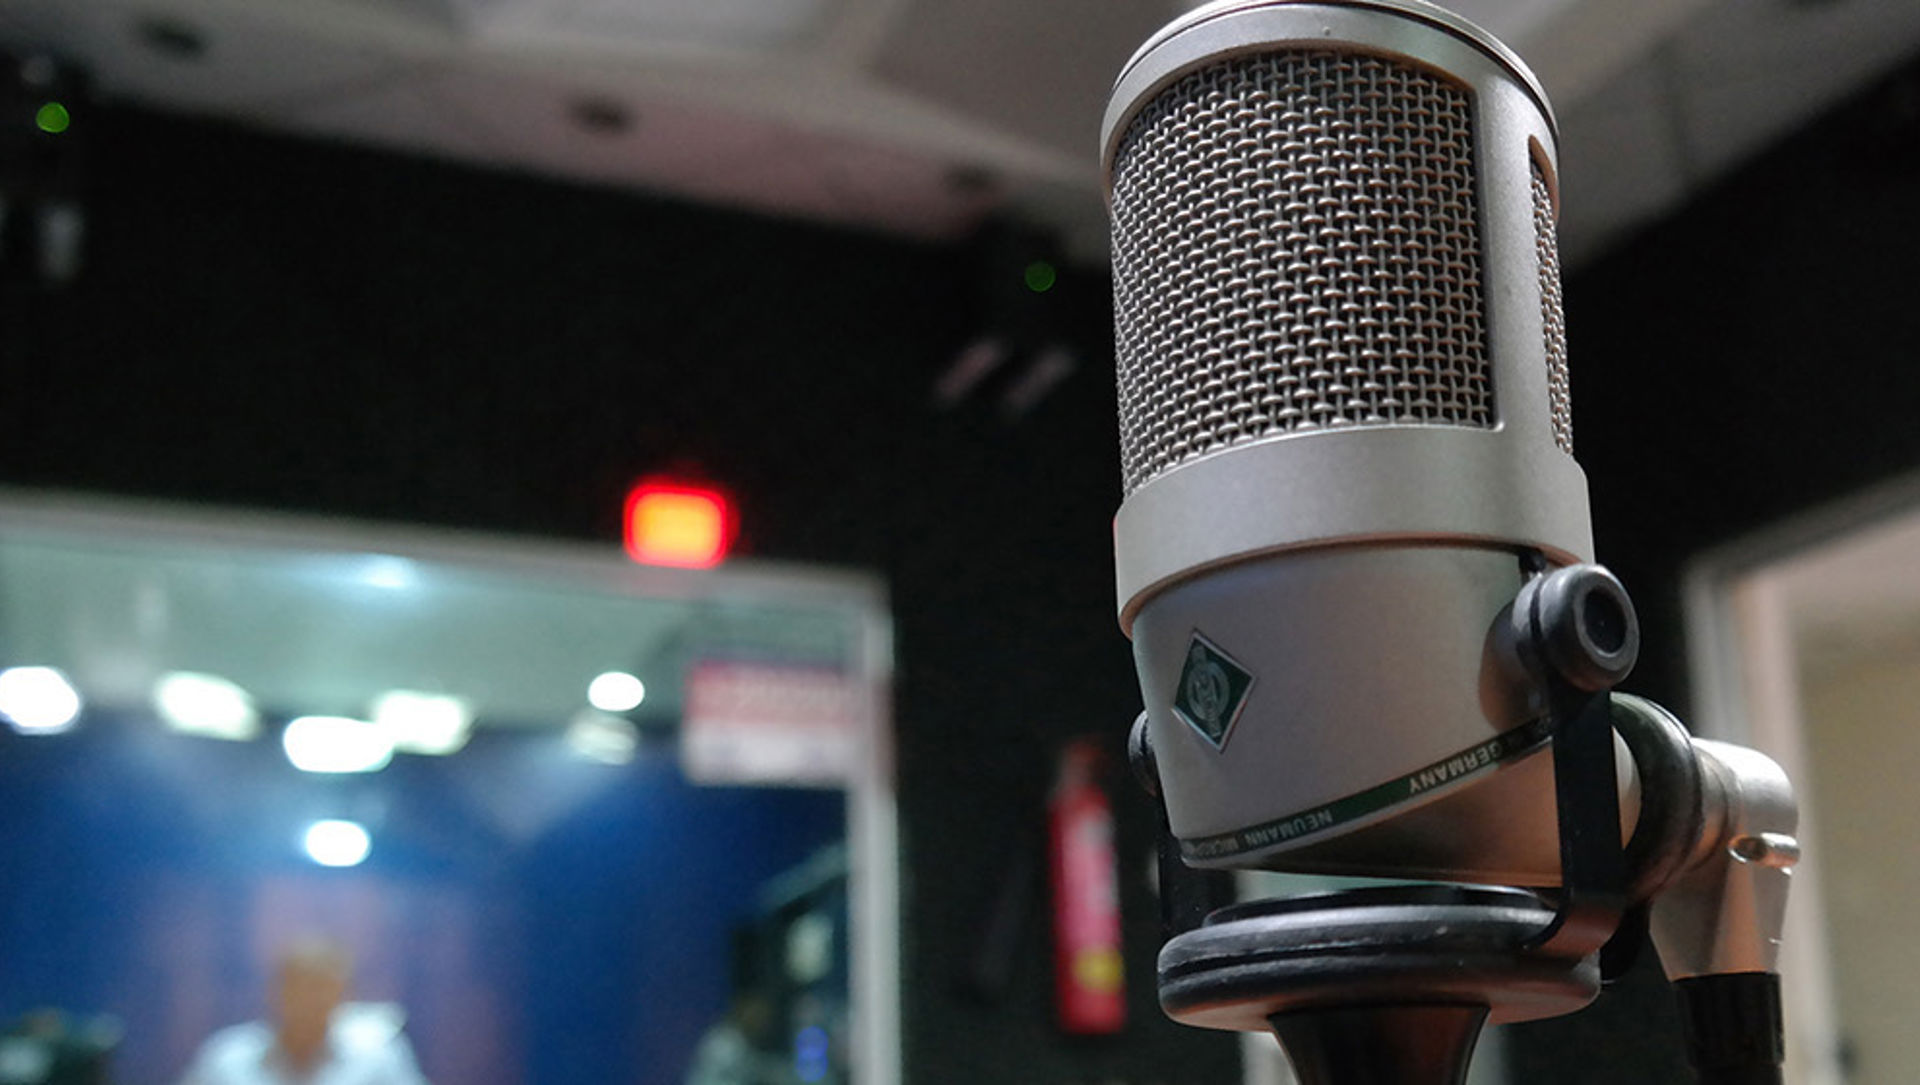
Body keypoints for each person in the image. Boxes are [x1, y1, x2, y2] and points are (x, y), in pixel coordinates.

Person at [179, 939, 427, 1085]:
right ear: (276, 991)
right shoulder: (227, 1057)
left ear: (344, 996)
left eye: (323, 989)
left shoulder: (378, 1060)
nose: (311, 1001)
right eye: (301, 987)